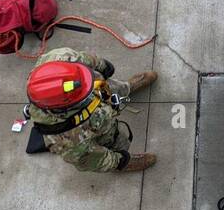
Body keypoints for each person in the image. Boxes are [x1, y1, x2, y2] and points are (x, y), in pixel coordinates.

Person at [26, 48, 157, 173]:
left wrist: (102, 66)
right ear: (64, 107)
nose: (87, 88)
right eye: (84, 94)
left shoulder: (58, 58)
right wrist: (119, 162)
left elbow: (85, 58)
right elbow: (96, 160)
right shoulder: (66, 141)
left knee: (112, 87)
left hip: (102, 90)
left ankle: (126, 88)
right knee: (117, 141)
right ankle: (125, 161)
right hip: (100, 127)